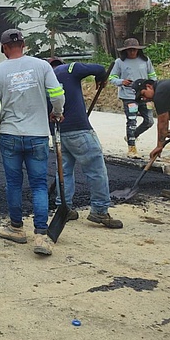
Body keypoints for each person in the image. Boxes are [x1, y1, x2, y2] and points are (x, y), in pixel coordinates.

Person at [0, 29, 65, 256]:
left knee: (14, 183)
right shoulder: (42, 66)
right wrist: (57, 112)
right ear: (24, 45)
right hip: (37, 134)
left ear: (3, 48)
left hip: (10, 135)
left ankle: (16, 228)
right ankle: (41, 235)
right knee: (39, 184)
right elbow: (57, 94)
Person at [46, 58, 122, 228]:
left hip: (58, 132)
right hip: (79, 130)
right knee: (96, 170)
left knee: (64, 171)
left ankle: (64, 207)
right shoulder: (70, 69)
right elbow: (100, 67)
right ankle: (100, 210)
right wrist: (100, 78)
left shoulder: (44, 78)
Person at [109, 38, 157, 157]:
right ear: (125, 51)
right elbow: (112, 78)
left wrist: (153, 86)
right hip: (129, 96)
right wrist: (121, 81)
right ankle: (132, 148)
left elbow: (152, 75)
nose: (132, 52)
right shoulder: (119, 62)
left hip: (145, 96)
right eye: (129, 50)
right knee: (131, 121)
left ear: (138, 50)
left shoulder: (145, 61)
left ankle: (132, 135)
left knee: (149, 121)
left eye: (134, 50)